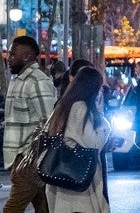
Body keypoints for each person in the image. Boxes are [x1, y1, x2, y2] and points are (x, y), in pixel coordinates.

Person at [44, 66, 111, 213]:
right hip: (78, 186)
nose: (100, 92)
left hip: (64, 179)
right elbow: (94, 144)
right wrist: (103, 122)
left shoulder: (64, 105)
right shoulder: (80, 108)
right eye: (99, 87)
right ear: (91, 88)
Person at [3, 35, 57, 213]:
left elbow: (49, 121)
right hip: (21, 157)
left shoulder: (38, 81)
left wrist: (34, 157)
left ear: (26, 56)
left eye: (12, 54)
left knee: (12, 209)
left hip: (30, 158)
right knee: (44, 207)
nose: (8, 58)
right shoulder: (18, 80)